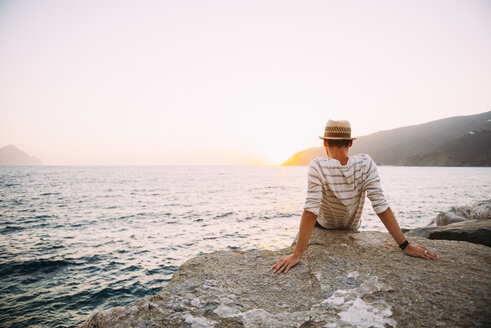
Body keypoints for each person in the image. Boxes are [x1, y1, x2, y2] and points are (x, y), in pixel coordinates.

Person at [272, 120, 439, 274]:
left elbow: (311, 210)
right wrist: (405, 245)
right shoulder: (365, 163)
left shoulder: (318, 166)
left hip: (322, 226)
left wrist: (297, 254)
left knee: (307, 224)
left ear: (324, 142)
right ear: (350, 143)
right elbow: (381, 206)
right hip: (350, 227)